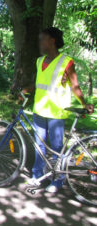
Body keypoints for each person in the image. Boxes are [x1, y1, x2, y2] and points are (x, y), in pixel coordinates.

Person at [25, 27, 94, 193]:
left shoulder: (66, 62)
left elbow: (75, 85)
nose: (40, 42)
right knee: (39, 146)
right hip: (39, 110)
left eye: (43, 39)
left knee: (57, 148)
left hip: (57, 111)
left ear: (52, 40)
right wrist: (26, 90)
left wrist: (84, 103)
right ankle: (37, 175)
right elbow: (39, 83)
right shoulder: (39, 61)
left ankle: (58, 180)